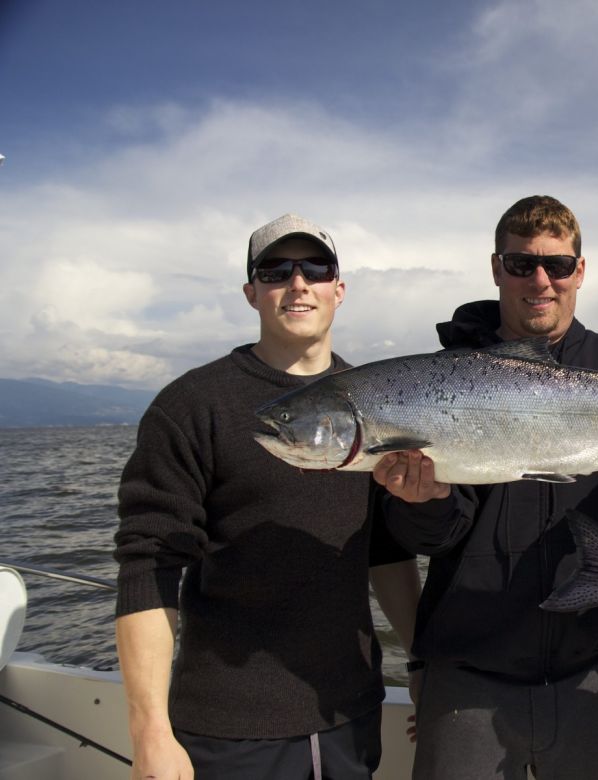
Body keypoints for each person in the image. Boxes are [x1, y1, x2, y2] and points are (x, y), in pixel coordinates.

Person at [371, 195, 598, 780]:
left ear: (579, 271)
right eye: (520, 264)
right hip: (468, 677)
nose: (540, 280)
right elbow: (441, 529)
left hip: (595, 667)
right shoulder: (442, 379)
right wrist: (422, 500)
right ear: (495, 268)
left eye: (557, 266)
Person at [113, 214, 422, 780]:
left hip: (350, 713)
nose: (298, 283)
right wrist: (150, 732)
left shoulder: (382, 401)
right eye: (276, 270)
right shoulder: (191, 405)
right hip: (226, 727)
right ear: (251, 292)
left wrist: (422, 664)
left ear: (339, 288)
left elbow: (387, 553)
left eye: (316, 268)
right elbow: (148, 566)